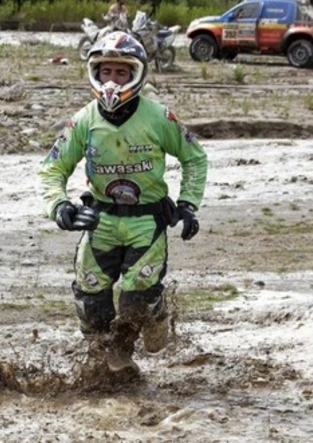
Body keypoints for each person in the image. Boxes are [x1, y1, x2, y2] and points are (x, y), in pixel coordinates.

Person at [37, 31, 208, 373]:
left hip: (147, 222)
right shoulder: (84, 120)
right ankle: (106, 364)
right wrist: (60, 206)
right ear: (94, 73)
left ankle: (153, 315)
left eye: (120, 73)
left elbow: (195, 158)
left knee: (135, 300)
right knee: (90, 295)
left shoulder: (159, 117)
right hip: (99, 220)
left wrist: (188, 204)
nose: (111, 81)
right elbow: (52, 167)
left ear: (136, 74)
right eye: (105, 72)